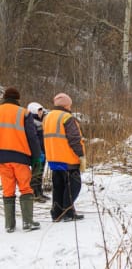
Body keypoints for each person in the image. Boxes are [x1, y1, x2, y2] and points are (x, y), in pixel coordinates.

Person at [0, 87, 42, 232]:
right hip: (20, 156)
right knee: (25, 187)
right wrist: (37, 157)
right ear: (17, 99)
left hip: (2, 158)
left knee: (8, 189)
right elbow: (32, 136)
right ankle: (28, 222)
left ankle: (9, 225)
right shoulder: (24, 112)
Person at [43, 93, 86, 222]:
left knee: (59, 186)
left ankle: (56, 213)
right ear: (66, 105)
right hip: (68, 158)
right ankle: (68, 212)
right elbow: (74, 139)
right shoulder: (67, 117)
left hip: (53, 158)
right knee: (74, 185)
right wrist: (81, 155)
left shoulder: (47, 117)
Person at [27, 102, 50, 202]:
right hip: (37, 151)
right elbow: (33, 138)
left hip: (43, 149)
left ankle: (39, 192)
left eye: (41, 110)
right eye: (39, 111)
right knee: (36, 172)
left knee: (40, 172)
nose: (41, 112)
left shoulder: (41, 121)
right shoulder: (32, 121)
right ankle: (35, 193)